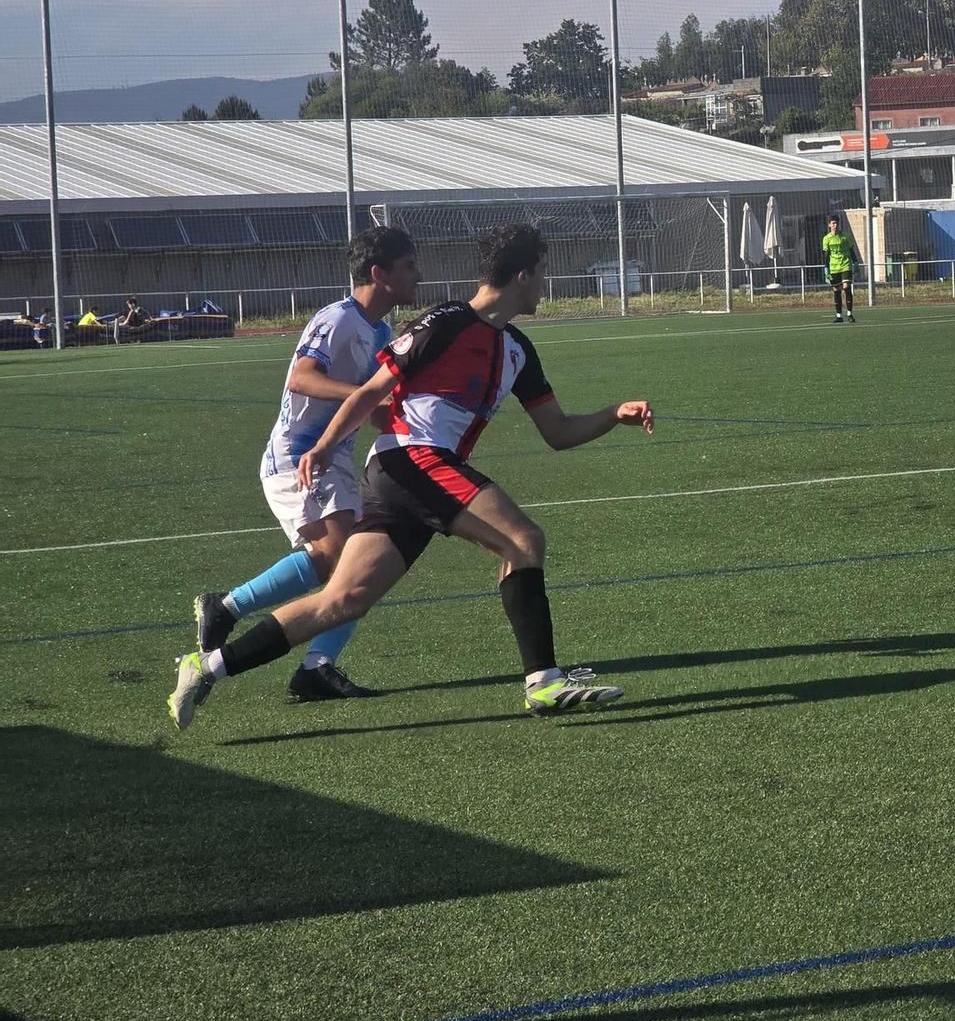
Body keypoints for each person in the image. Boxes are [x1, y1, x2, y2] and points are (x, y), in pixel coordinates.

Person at [171, 224, 653, 729]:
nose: (544, 286)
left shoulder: (518, 350)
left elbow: (557, 430)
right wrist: (323, 446)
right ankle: (543, 681)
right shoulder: (442, 322)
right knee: (523, 539)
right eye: (542, 274)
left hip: (409, 476)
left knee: (341, 599)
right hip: (411, 460)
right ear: (522, 275)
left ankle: (205, 667)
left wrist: (611, 413)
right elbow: (367, 392)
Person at [192, 227, 422, 701]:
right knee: (347, 564)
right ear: (380, 274)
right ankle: (246, 620)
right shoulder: (337, 319)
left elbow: (374, 401)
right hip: (299, 458)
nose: (418, 275)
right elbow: (301, 378)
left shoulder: (380, 331)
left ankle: (278, 641)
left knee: (349, 566)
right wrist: (364, 400)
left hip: (333, 461)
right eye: (409, 266)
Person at [824, 212, 859, 324]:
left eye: (837, 223)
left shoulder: (845, 236)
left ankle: (849, 314)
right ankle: (839, 316)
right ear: (829, 225)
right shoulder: (826, 239)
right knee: (836, 290)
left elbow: (852, 251)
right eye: (833, 223)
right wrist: (826, 270)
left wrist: (855, 263)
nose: (836, 225)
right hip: (834, 267)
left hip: (845, 265)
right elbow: (825, 255)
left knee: (846, 286)